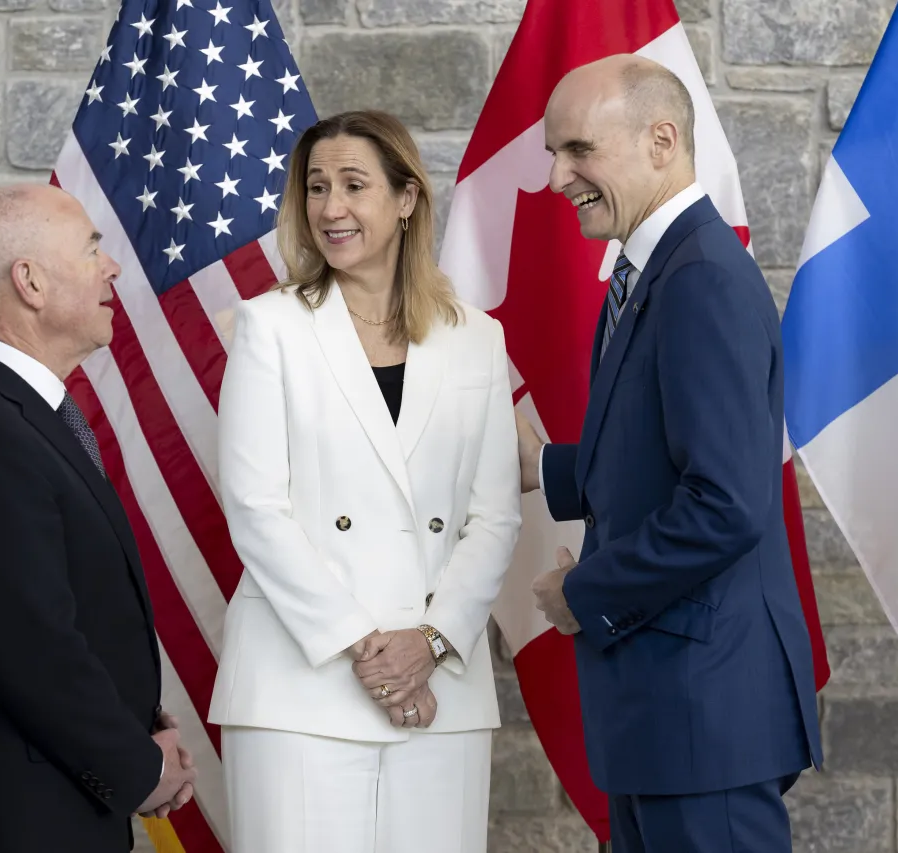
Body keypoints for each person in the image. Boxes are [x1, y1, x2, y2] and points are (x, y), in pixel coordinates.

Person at [516, 55, 824, 852]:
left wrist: (581, 590)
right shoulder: (659, 269)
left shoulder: (700, 280)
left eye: (577, 149)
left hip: (703, 711)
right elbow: (666, 450)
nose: (558, 177)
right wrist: (549, 468)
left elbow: (724, 503)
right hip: (670, 712)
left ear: (661, 139)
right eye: (555, 153)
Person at [208, 109, 522, 853]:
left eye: (354, 185)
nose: (330, 208)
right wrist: (370, 648)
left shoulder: (478, 337)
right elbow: (256, 508)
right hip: (298, 686)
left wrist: (430, 641)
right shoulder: (269, 326)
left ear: (407, 198)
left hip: (441, 688)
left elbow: (495, 517)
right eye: (316, 187)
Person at [0, 183, 196, 853]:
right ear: (29, 281)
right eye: (92, 248)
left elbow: (74, 610)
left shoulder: (21, 415)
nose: (112, 266)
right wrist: (138, 767)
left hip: (56, 806)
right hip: (10, 823)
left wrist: (140, 729)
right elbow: (34, 647)